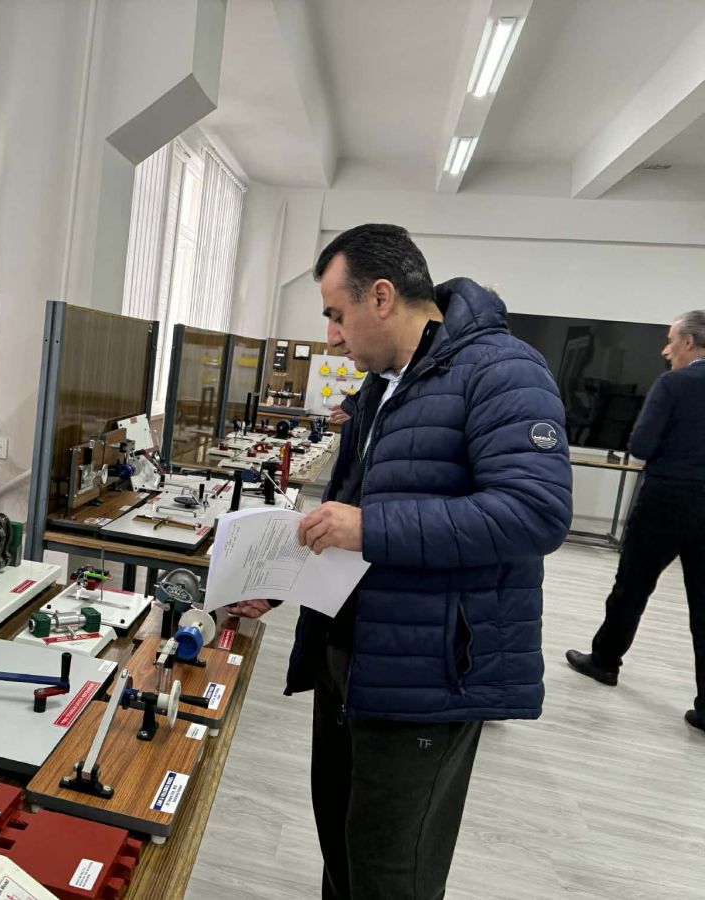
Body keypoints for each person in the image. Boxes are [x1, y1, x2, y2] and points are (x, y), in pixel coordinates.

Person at [229, 224, 573, 899]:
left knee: (392, 874)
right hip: (351, 658)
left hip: (429, 676)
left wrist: (371, 528)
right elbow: (350, 513)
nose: (332, 337)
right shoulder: (384, 385)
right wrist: (278, 580)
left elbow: (535, 512)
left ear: (381, 297)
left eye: (336, 314)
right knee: (342, 848)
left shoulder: (503, 371)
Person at [566, 311, 705, 732]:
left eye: (670, 340)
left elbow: (641, 445)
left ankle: (605, 661)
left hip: (668, 497)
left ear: (688, 343)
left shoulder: (673, 385)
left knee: (633, 584)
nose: (665, 350)